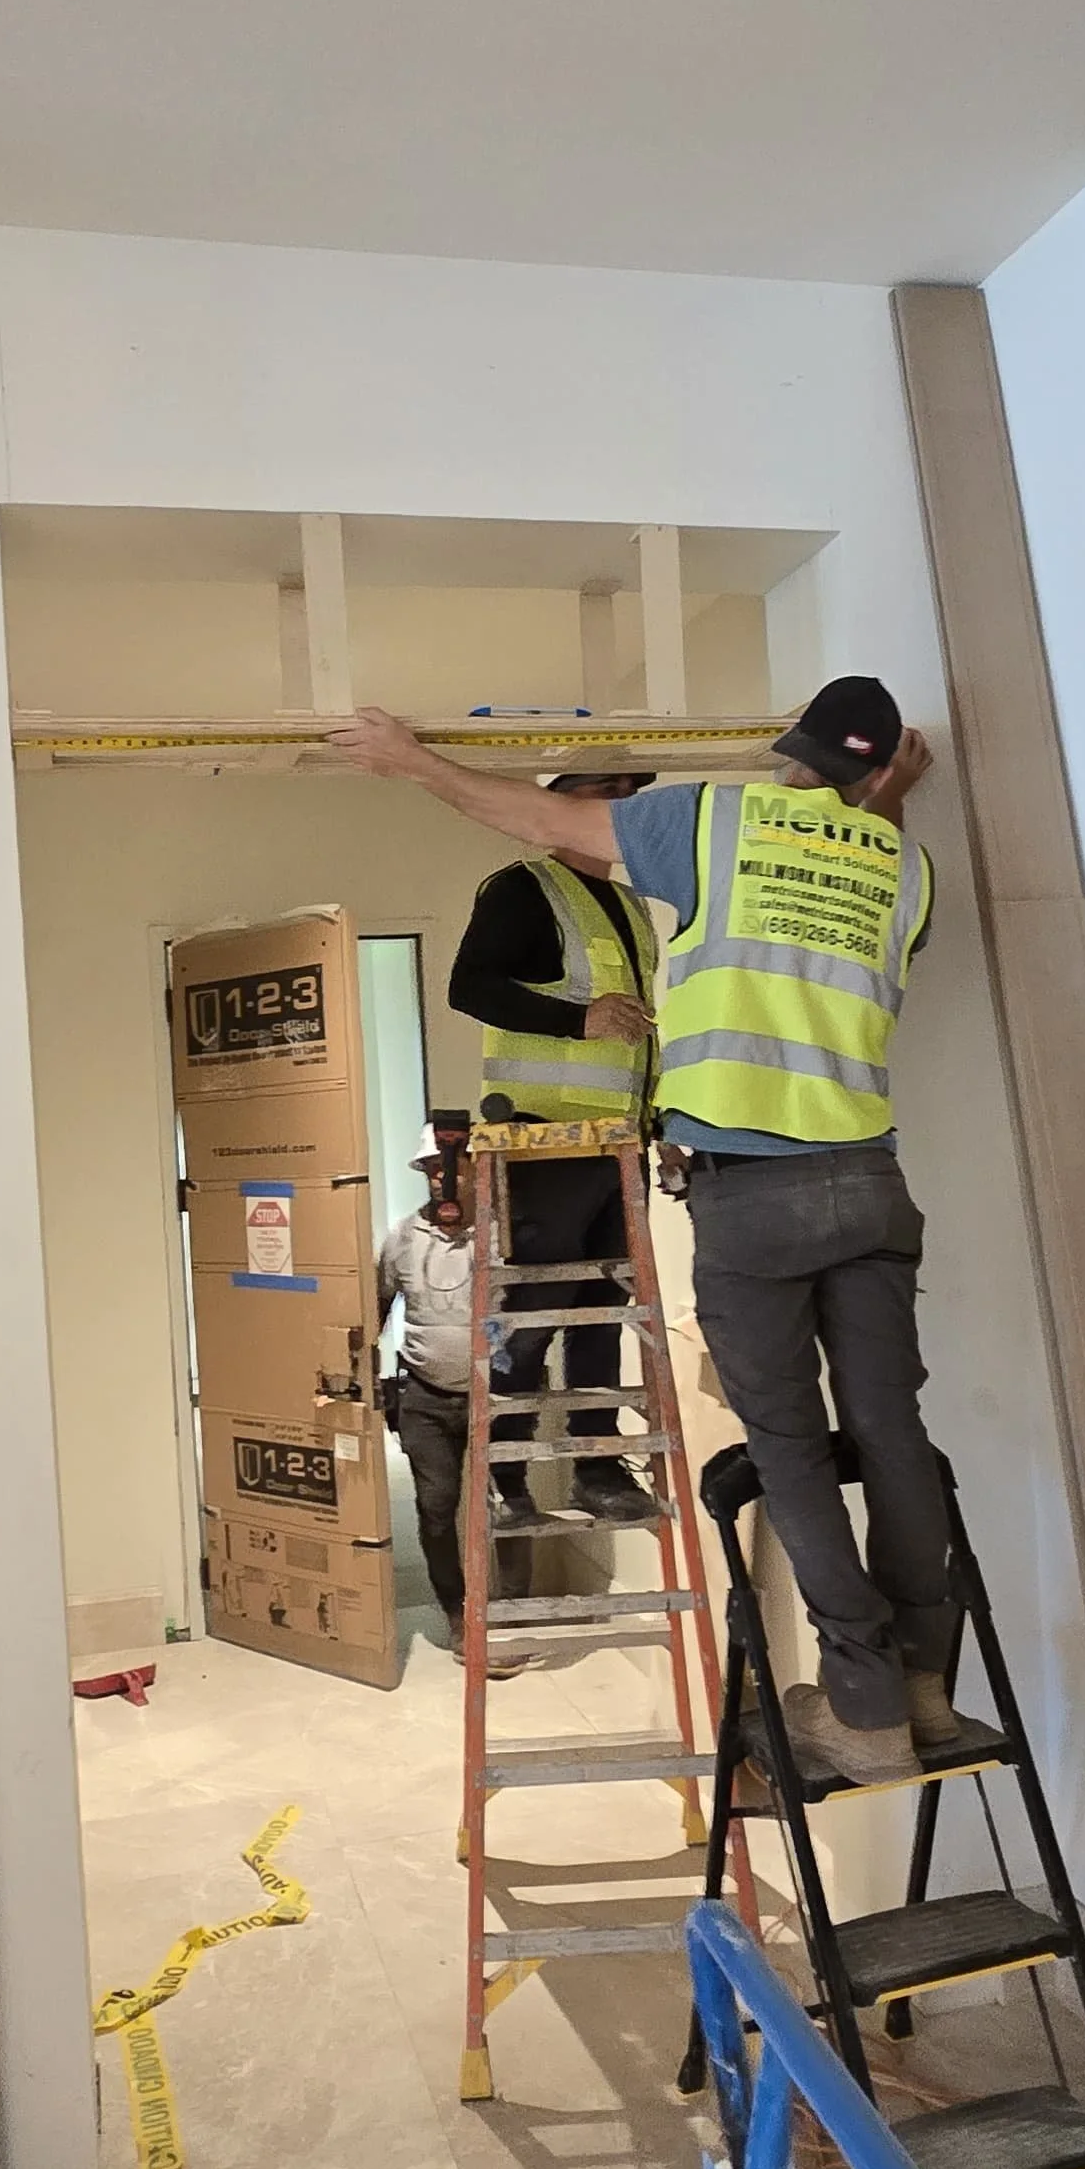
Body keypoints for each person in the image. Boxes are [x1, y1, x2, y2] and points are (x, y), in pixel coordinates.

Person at [331, 680, 987, 1787]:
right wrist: (887, 803)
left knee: (787, 1447)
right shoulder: (902, 864)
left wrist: (410, 762)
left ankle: (864, 1702)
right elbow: (843, 886)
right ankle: (923, 1681)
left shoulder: (719, 824)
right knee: (889, 1432)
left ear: (791, 754)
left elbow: (541, 815)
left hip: (753, 1192)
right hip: (869, 1181)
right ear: (883, 776)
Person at [448, 765, 660, 1536]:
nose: (623, 806)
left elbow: (637, 1032)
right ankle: (505, 1466)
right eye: (607, 790)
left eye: (628, 793)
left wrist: (657, 1127)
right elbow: (469, 988)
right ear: (558, 800)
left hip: (616, 1142)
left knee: (604, 1309)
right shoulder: (524, 889)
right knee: (537, 1307)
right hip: (546, 1138)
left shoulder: (629, 907)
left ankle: (598, 1464)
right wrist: (580, 1021)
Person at [373, 1131, 522, 1671]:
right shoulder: (403, 1238)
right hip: (425, 1398)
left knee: (508, 1505)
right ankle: (459, 1617)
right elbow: (376, 1306)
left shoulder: (502, 1234)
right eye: (434, 1168)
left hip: (496, 1397)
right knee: (438, 1510)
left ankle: (507, 1615)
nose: (444, 1176)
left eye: (454, 1166)